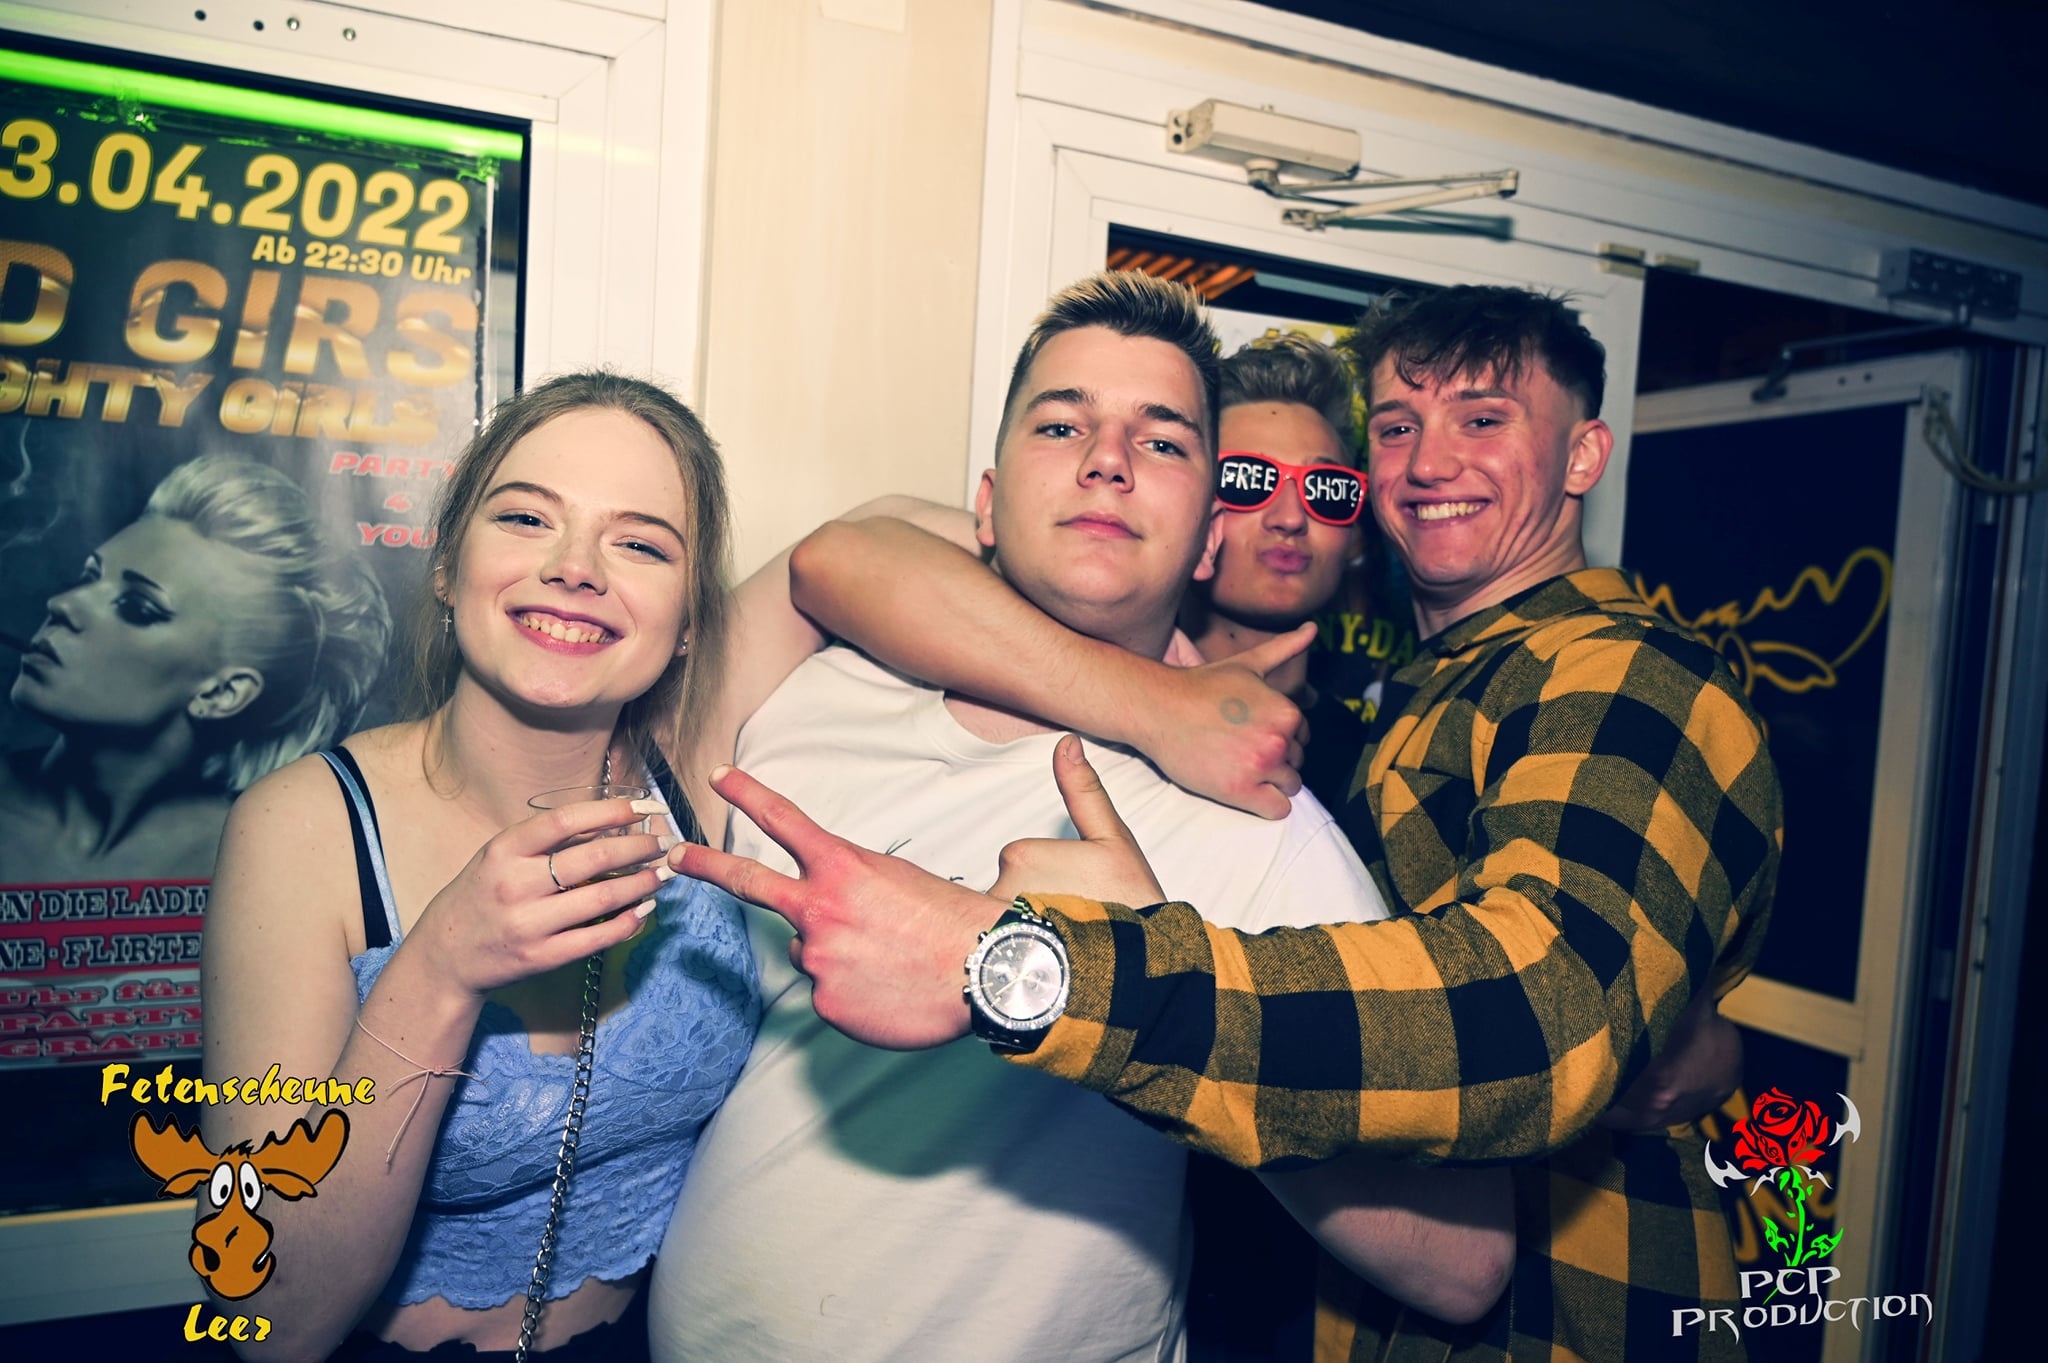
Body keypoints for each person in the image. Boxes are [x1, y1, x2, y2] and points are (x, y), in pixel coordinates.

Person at [671, 285, 1781, 1363]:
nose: (1431, 463)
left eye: (1162, 442)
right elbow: (843, 549)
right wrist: (1153, 703)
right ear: (985, 504)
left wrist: (1066, 967)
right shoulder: (819, 691)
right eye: (1399, 427)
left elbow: (1533, 1059)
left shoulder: (1339, 785)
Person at [199, 373, 760, 1361]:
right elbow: (270, 1320)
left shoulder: (700, 769)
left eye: (640, 543)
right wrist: (441, 967)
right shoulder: (302, 827)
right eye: (526, 517)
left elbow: (869, 547)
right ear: (448, 565)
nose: (574, 567)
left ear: (686, 625)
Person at [1, 455, 390, 882]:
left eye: (137, 608)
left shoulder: (268, 863)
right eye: (89, 577)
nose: (62, 605)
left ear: (222, 693)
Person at [1179, 333, 1381, 815]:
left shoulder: (1369, 763)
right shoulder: (1103, 703)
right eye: (1246, 480)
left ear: (1354, 535)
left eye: (1326, 488)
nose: (1290, 518)